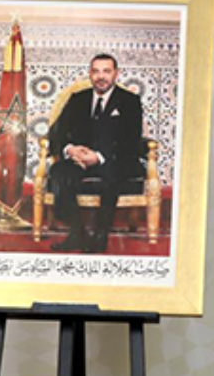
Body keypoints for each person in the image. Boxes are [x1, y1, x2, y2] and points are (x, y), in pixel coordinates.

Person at [47, 53, 144, 253]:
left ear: (116, 74)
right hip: (79, 159)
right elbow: (56, 132)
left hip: (114, 160)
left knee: (111, 175)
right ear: (90, 74)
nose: (101, 76)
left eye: (106, 71)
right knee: (59, 172)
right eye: (96, 71)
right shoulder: (78, 99)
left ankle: (100, 236)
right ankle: (77, 233)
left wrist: (98, 157)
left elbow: (131, 140)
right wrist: (70, 149)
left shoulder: (130, 101)